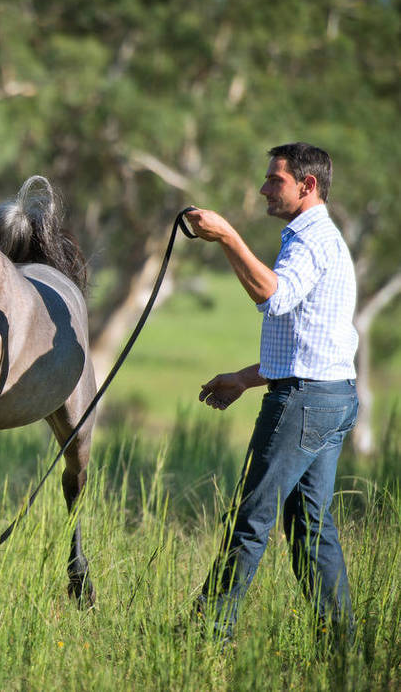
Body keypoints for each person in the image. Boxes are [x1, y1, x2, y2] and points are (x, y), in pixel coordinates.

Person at [183, 142, 359, 647]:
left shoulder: (307, 241)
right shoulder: (325, 238)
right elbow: (312, 344)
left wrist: (226, 235)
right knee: (310, 526)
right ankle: (341, 643)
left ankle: (207, 633)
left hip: (304, 403)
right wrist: (244, 378)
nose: (263, 189)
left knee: (251, 517)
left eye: (274, 180)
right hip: (331, 395)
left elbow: (272, 295)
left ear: (308, 185)